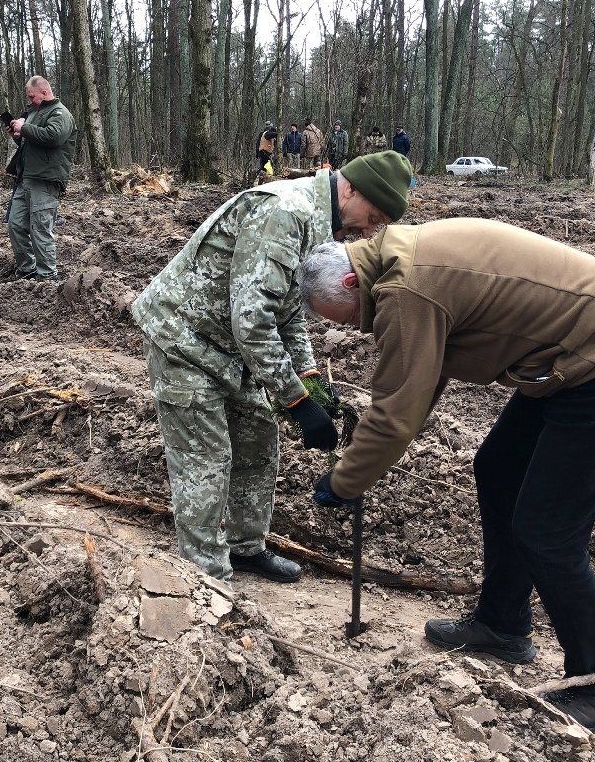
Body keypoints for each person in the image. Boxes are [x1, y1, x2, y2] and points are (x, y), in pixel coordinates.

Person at [301, 218, 595, 739]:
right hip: (571, 355)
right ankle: (503, 625)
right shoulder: (397, 260)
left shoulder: (406, 288)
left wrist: (345, 480)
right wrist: (364, 462)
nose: (353, 328)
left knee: (547, 531)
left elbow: (394, 415)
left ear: (349, 283)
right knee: (498, 468)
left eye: (345, 318)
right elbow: (418, 383)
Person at [132, 151, 413, 585]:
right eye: (371, 215)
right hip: (185, 341)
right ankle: (204, 577)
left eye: (379, 224)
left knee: (259, 441)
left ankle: (247, 549)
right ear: (350, 188)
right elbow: (254, 320)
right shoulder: (285, 213)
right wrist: (296, 401)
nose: (368, 230)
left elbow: (289, 308)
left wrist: (311, 378)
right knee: (206, 460)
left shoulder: (319, 227)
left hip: (230, 348)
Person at [5, 75, 77, 283]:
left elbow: (53, 137)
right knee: (15, 224)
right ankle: (27, 269)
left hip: (45, 180)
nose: (30, 101)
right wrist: (18, 136)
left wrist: (24, 128)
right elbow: (34, 142)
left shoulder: (60, 113)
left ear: (44, 92)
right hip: (25, 178)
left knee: (40, 228)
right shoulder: (35, 113)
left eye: (32, 97)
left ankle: (48, 276)